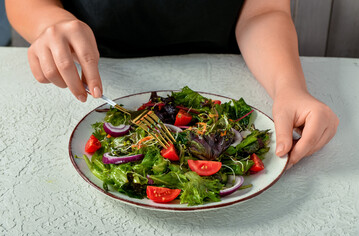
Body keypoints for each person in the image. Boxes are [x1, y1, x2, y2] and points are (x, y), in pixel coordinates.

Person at [5, 0, 339, 169]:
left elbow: (263, 10)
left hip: (225, 61)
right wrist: (50, 21)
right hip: (90, 60)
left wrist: (290, 88)